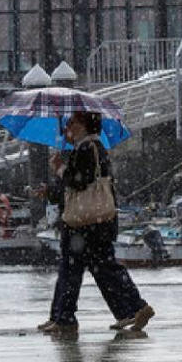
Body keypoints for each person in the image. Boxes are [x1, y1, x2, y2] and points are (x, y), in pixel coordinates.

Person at [43, 112, 154, 333]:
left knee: (75, 269)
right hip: (95, 222)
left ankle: (64, 317)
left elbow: (79, 182)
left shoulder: (87, 148)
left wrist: (59, 168)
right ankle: (129, 309)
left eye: (72, 123)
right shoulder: (90, 149)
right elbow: (76, 184)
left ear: (84, 125)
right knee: (102, 267)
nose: (68, 127)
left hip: (84, 224)